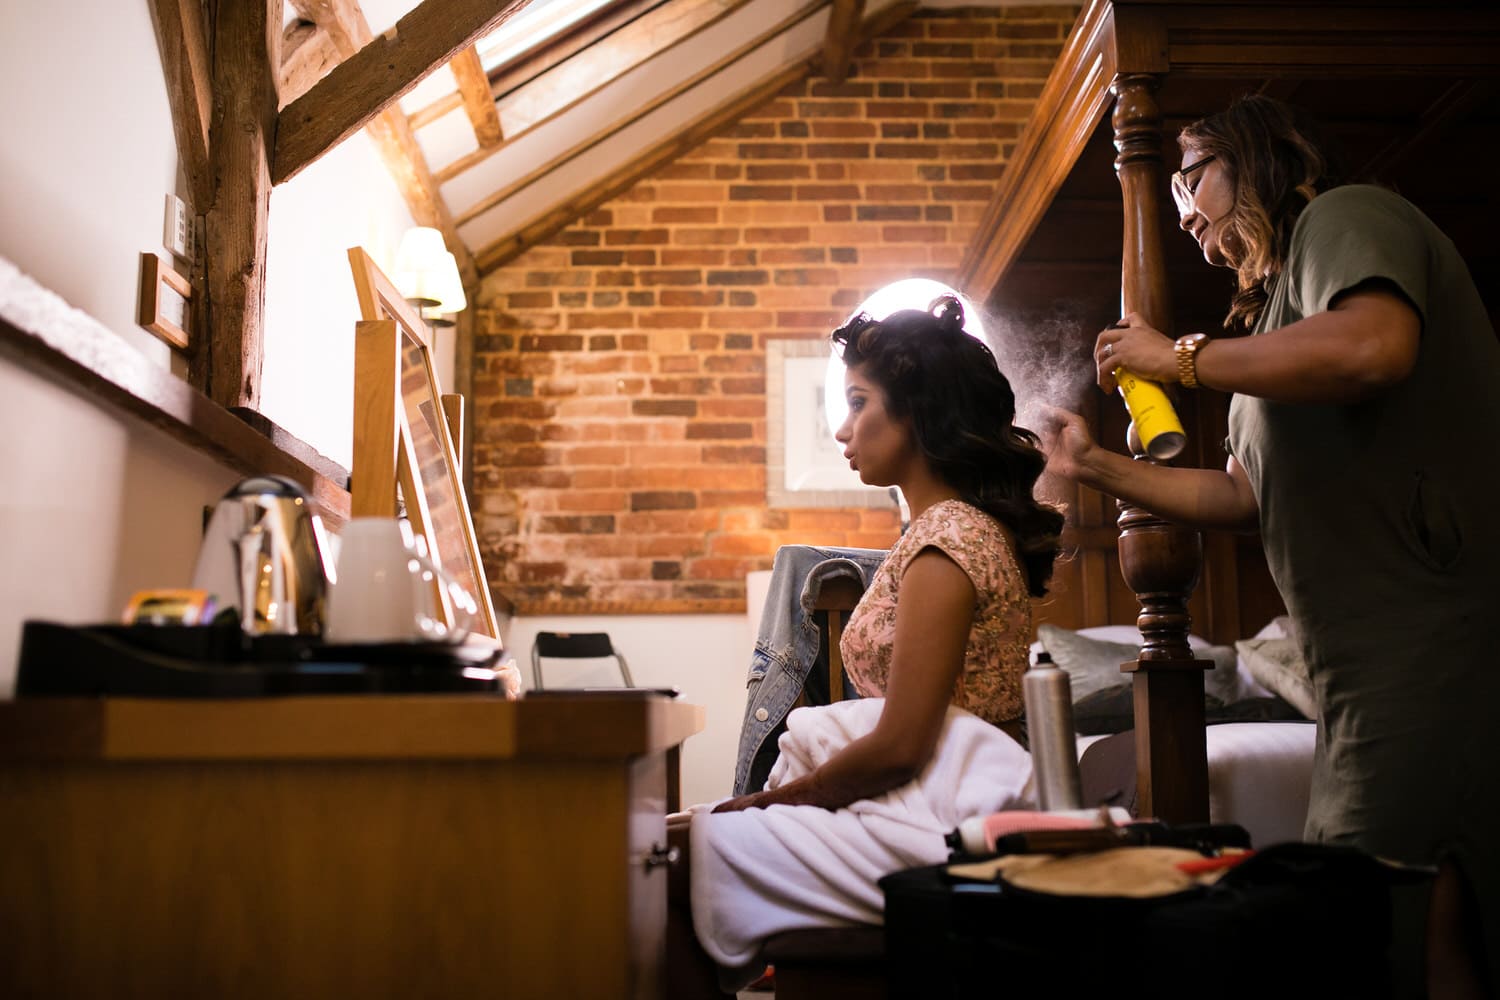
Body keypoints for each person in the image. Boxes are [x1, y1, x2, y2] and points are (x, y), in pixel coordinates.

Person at [1038, 93, 1499, 997]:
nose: (1183, 212)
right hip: (1360, 662)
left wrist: (1177, 359)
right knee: (1436, 920)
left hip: (1432, 637)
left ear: (1258, 159)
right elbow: (1244, 494)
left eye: (1192, 175)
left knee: (1361, 912)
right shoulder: (1277, 322)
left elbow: (1374, 347)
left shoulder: (1349, 214)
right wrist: (1093, 465)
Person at [665, 295, 1065, 996]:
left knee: (673, 857)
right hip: (912, 803)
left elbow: (903, 745)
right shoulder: (937, 534)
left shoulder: (950, 540)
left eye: (859, 401)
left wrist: (767, 804)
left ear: (917, 411)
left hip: (941, 820)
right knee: (672, 837)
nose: (845, 428)